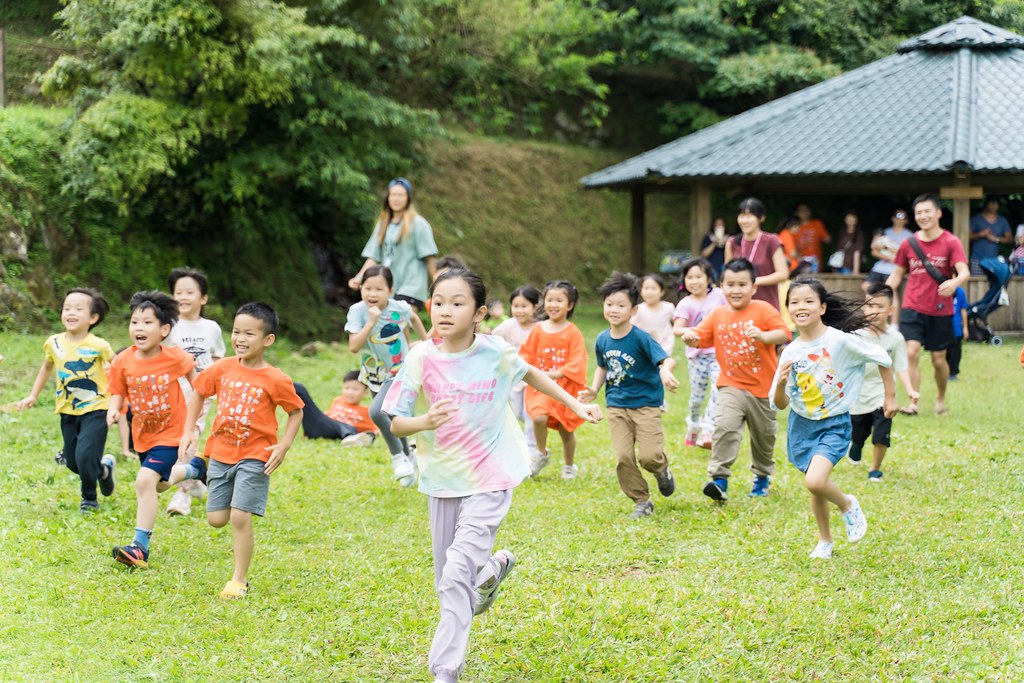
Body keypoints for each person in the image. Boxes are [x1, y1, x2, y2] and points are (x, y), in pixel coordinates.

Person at [382, 268, 601, 683]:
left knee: (454, 576)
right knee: (452, 578)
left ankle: (445, 671)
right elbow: (395, 421)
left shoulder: (494, 351)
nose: (445, 310)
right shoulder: (421, 357)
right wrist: (424, 420)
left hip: (491, 474)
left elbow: (529, 373)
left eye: (457, 303)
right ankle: (492, 570)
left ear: (479, 312)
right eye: (439, 302)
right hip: (443, 479)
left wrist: (575, 405)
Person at [180, 302, 304, 600]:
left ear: (267, 340)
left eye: (249, 333)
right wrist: (188, 430)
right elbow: (198, 392)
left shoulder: (275, 378)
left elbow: (296, 411)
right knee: (216, 519)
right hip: (220, 453)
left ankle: (239, 579)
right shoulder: (222, 367)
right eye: (236, 331)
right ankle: (197, 468)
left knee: (239, 516)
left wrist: (283, 445)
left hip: (256, 455)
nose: (240, 338)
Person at [771, 278, 898, 559]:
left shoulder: (838, 340)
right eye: (794, 302)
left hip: (834, 424)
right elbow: (780, 404)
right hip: (801, 426)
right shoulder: (790, 351)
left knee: (815, 482)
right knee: (816, 487)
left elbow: (882, 358)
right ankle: (824, 541)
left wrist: (889, 396)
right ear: (788, 310)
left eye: (808, 301)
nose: (800, 306)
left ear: (823, 307)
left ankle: (847, 504)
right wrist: (780, 385)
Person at [107, 291, 208, 568]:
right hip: (144, 436)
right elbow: (117, 391)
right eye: (134, 322)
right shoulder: (122, 361)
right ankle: (195, 470)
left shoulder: (174, 357)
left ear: (164, 329)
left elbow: (198, 384)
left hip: (172, 432)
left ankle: (140, 547)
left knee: (144, 480)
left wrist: (196, 417)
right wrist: (113, 409)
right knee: (159, 485)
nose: (139, 328)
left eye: (147, 322)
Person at [681, 258, 791, 500]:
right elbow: (700, 335)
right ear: (722, 287)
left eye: (742, 284)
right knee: (724, 428)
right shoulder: (717, 314)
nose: (736, 290)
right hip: (731, 384)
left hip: (764, 389)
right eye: (730, 284)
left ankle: (762, 477)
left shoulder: (763, 309)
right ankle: (719, 480)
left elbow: (783, 332)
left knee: (764, 436)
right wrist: (691, 337)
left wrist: (763, 336)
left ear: (753, 287)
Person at [580, 272, 680, 519]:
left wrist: (666, 372)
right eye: (609, 304)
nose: (614, 310)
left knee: (648, 457)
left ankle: (661, 469)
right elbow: (603, 366)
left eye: (621, 305)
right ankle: (642, 501)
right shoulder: (602, 339)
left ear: (633, 310)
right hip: (616, 404)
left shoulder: (641, 338)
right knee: (624, 457)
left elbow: (666, 359)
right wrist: (594, 389)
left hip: (646, 404)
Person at [15, 288, 117, 513]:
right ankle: (102, 471)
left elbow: (119, 369)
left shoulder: (99, 345)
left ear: (93, 317)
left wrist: (120, 402)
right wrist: (33, 394)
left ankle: (89, 499)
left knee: (84, 455)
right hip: (67, 409)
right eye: (67, 308)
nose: (71, 312)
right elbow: (47, 367)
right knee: (72, 461)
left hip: (96, 408)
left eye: (79, 309)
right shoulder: (53, 342)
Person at [885, 194, 969, 416]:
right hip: (912, 306)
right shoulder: (908, 244)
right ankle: (914, 402)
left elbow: (964, 272)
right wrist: (882, 293)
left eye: (927, 211)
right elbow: (897, 274)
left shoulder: (951, 242)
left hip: (941, 309)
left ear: (938, 213)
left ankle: (940, 399)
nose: (923, 216)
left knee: (938, 359)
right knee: (911, 352)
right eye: (919, 213)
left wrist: (955, 282)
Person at [345, 265, 429, 487]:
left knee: (377, 412)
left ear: (390, 291)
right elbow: (354, 346)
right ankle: (409, 457)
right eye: (367, 288)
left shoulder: (398, 307)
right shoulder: (357, 311)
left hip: (399, 370)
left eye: (379, 289)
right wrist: (371, 322)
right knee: (393, 416)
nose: (372, 294)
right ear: (361, 288)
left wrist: (425, 342)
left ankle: (398, 456)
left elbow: (413, 317)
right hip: (374, 373)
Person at [165, 268, 226, 516]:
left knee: (188, 436)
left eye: (190, 292)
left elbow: (218, 358)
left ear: (203, 298)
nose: (183, 297)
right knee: (178, 437)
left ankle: (183, 494)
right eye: (178, 292)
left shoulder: (211, 328)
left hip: (201, 393)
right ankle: (198, 478)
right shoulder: (168, 327)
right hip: (172, 393)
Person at [519, 280, 589, 480]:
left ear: (570, 305)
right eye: (549, 300)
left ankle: (569, 466)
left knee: (565, 430)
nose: (553, 304)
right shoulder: (538, 329)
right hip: (541, 388)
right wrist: (527, 370)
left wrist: (556, 373)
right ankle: (541, 453)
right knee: (538, 417)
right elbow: (526, 354)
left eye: (559, 300)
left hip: (564, 387)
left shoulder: (572, 332)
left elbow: (578, 361)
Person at [849, 283, 918, 482]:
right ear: (864, 307)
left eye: (880, 307)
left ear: (890, 310)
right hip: (858, 395)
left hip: (883, 394)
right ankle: (856, 443)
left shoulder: (895, 338)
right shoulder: (855, 335)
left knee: (881, 433)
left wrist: (911, 391)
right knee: (858, 432)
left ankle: (874, 469)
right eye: (870, 306)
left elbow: (901, 367)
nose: (874, 311)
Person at [349, 177, 438, 311]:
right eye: (393, 195)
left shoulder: (418, 224)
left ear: (408, 198)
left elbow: (429, 258)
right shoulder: (383, 225)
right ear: (388, 198)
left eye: (400, 195)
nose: (396, 198)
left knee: (399, 324)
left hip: (411, 287)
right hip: (388, 286)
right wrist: (359, 277)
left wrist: (438, 285)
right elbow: (373, 256)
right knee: (390, 329)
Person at [672, 258, 726, 448]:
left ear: (709, 278)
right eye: (690, 277)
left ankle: (708, 431)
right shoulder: (685, 303)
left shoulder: (720, 296)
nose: (694, 281)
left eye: (699, 277)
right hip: (697, 357)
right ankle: (694, 425)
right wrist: (697, 330)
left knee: (718, 390)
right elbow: (677, 329)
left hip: (718, 353)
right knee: (697, 398)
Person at [491, 285, 541, 451]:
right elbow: (492, 341)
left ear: (535, 306)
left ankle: (532, 450)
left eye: (524, 306)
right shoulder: (507, 326)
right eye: (516, 306)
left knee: (529, 414)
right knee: (519, 412)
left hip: (534, 378)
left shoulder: (540, 327)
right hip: (513, 377)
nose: (519, 311)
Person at [723, 197, 789, 310]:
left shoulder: (771, 240)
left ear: (761, 218)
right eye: (742, 216)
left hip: (767, 306)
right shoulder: (732, 242)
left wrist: (754, 281)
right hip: (737, 307)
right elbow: (726, 275)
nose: (744, 220)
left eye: (749, 216)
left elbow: (783, 274)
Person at [293, 371, 379, 445]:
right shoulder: (338, 401)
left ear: (365, 392)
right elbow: (327, 417)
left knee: (349, 428)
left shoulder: (366, 411)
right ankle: (283, 383)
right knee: (299, 388)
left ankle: (350, 438)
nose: (350, 392)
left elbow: (376, 430)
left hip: (342, 431)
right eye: (346, 388)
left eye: (355, 389)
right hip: (322, 426)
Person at [631, 274, 675, 357]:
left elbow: (677, 322)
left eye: (653, 288)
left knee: (663, 367)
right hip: (645, 347)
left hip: (665, 346)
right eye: (646, 288)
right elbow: (631, 327)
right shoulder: (638, 309)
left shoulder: (668, 307)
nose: (649, 292)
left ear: (662, 291)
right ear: (641, 291)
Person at [969, 196, 1012, 274]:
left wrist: (996, 239)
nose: (994, 206)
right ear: (986, 204)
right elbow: (967, 236)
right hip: (977, 259)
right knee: (975, 284)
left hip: (994, 261)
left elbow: (1009, 239)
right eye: (991, 203)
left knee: (993, 284)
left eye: (996, 203)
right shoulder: (976, 219)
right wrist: (980, 234)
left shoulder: (1002, 221)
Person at [793, 201, 831, 273]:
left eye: (806, 210)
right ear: (796, 213)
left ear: (810, 211)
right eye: (801, 210)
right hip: (799, 265)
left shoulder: (817, 224)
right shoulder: (794, 228)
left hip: (815, 265)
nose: (804, 212)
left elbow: (828, 239)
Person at [832, 209, 864, 275]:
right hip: (838, 264)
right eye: (848, 218)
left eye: (853, 218)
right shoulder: (842, 232)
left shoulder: (858, 234)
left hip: (849, 266)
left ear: (856, 220)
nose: (850, 220)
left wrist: (856, 270)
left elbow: (857, 252)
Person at [947, 286, 969, 380]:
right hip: (944, 327)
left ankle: (953, 373)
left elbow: (963, 310)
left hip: (956, 328)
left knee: (956, 352)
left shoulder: (960, 292)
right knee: (945, 351)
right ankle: (944, 371)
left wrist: (965, 327)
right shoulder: (941, 290)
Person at [699, 216, 729, 281]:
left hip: (725, 266)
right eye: (717, 225)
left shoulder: (729, 239)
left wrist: (726, 243)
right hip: (711, 266)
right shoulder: (708, 238)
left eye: (721, 225)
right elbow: (704, 254)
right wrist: (714, 243)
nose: (719, 227)